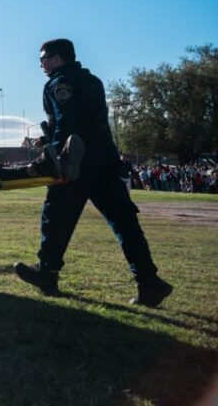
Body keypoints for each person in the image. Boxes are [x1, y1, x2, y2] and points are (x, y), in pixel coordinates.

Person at [14, 39, 173, 307]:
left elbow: (67, 122)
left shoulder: (59, 82)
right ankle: (149, 281)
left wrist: (54, 152)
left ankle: (47, 273)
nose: (41, 65)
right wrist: (49, 136)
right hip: (106, 160)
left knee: (56, 216)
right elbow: (90, 121)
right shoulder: (93, 81)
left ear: (56, 58)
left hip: (77, 160)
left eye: (43, 59)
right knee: (124, 222)